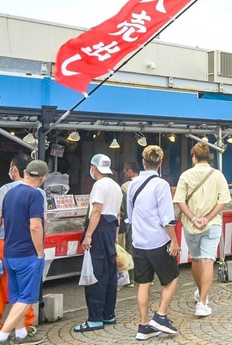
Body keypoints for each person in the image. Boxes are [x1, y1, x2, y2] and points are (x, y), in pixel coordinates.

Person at [0, 154, 45, 343]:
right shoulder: (37, 194)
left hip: (7, 250)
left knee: (12, 293)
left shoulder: (7, 192)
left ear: (21, 171)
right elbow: (36, 225)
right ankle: (2, 336)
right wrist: (40, 252)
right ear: (43, 177)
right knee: (27, 296)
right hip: (27, 251)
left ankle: (21, 332)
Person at [127, 145, 180, 340]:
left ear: (143, 161)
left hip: (139, 241)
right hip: (158, 240)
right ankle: (161, 315)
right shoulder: (161, 185)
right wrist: (174, 240)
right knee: (172, 277)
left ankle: (143, 326)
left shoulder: (133, 184)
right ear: (160, 163)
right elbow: (167, 218)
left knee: (143, 283)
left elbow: (130, 215)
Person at [174, 141, 230, 317]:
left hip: (191, 225)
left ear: (194, 157)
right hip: (212, 224)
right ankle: (202, 301)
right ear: (209, 157)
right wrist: (207, 218)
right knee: (208, 260)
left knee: (197, 260)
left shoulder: (186, 175)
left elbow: (179, 201)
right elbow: (223, 201)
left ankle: (201, 294)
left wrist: (193, 218)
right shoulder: (218, 175)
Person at [73, 154, 122, 333]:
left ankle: (95, 318)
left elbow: (96, 211)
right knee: (109, 275)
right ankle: (108, 314)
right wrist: (115, 236)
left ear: (94, 168)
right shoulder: (116, 186)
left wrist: (88, 235)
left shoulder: (99, 185)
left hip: (99, 232)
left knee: (96, 275)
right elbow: (117, 215)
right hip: (109, 232)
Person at [118, 161, 139, 286]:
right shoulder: (146, 182)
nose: (125, 174)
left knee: (129, 249)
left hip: (131, 222)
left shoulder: (125, 186)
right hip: (144, 221)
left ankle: (130, 279)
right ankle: (148, 277)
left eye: (125, 171)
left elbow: (124, 208)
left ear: (130, 171)